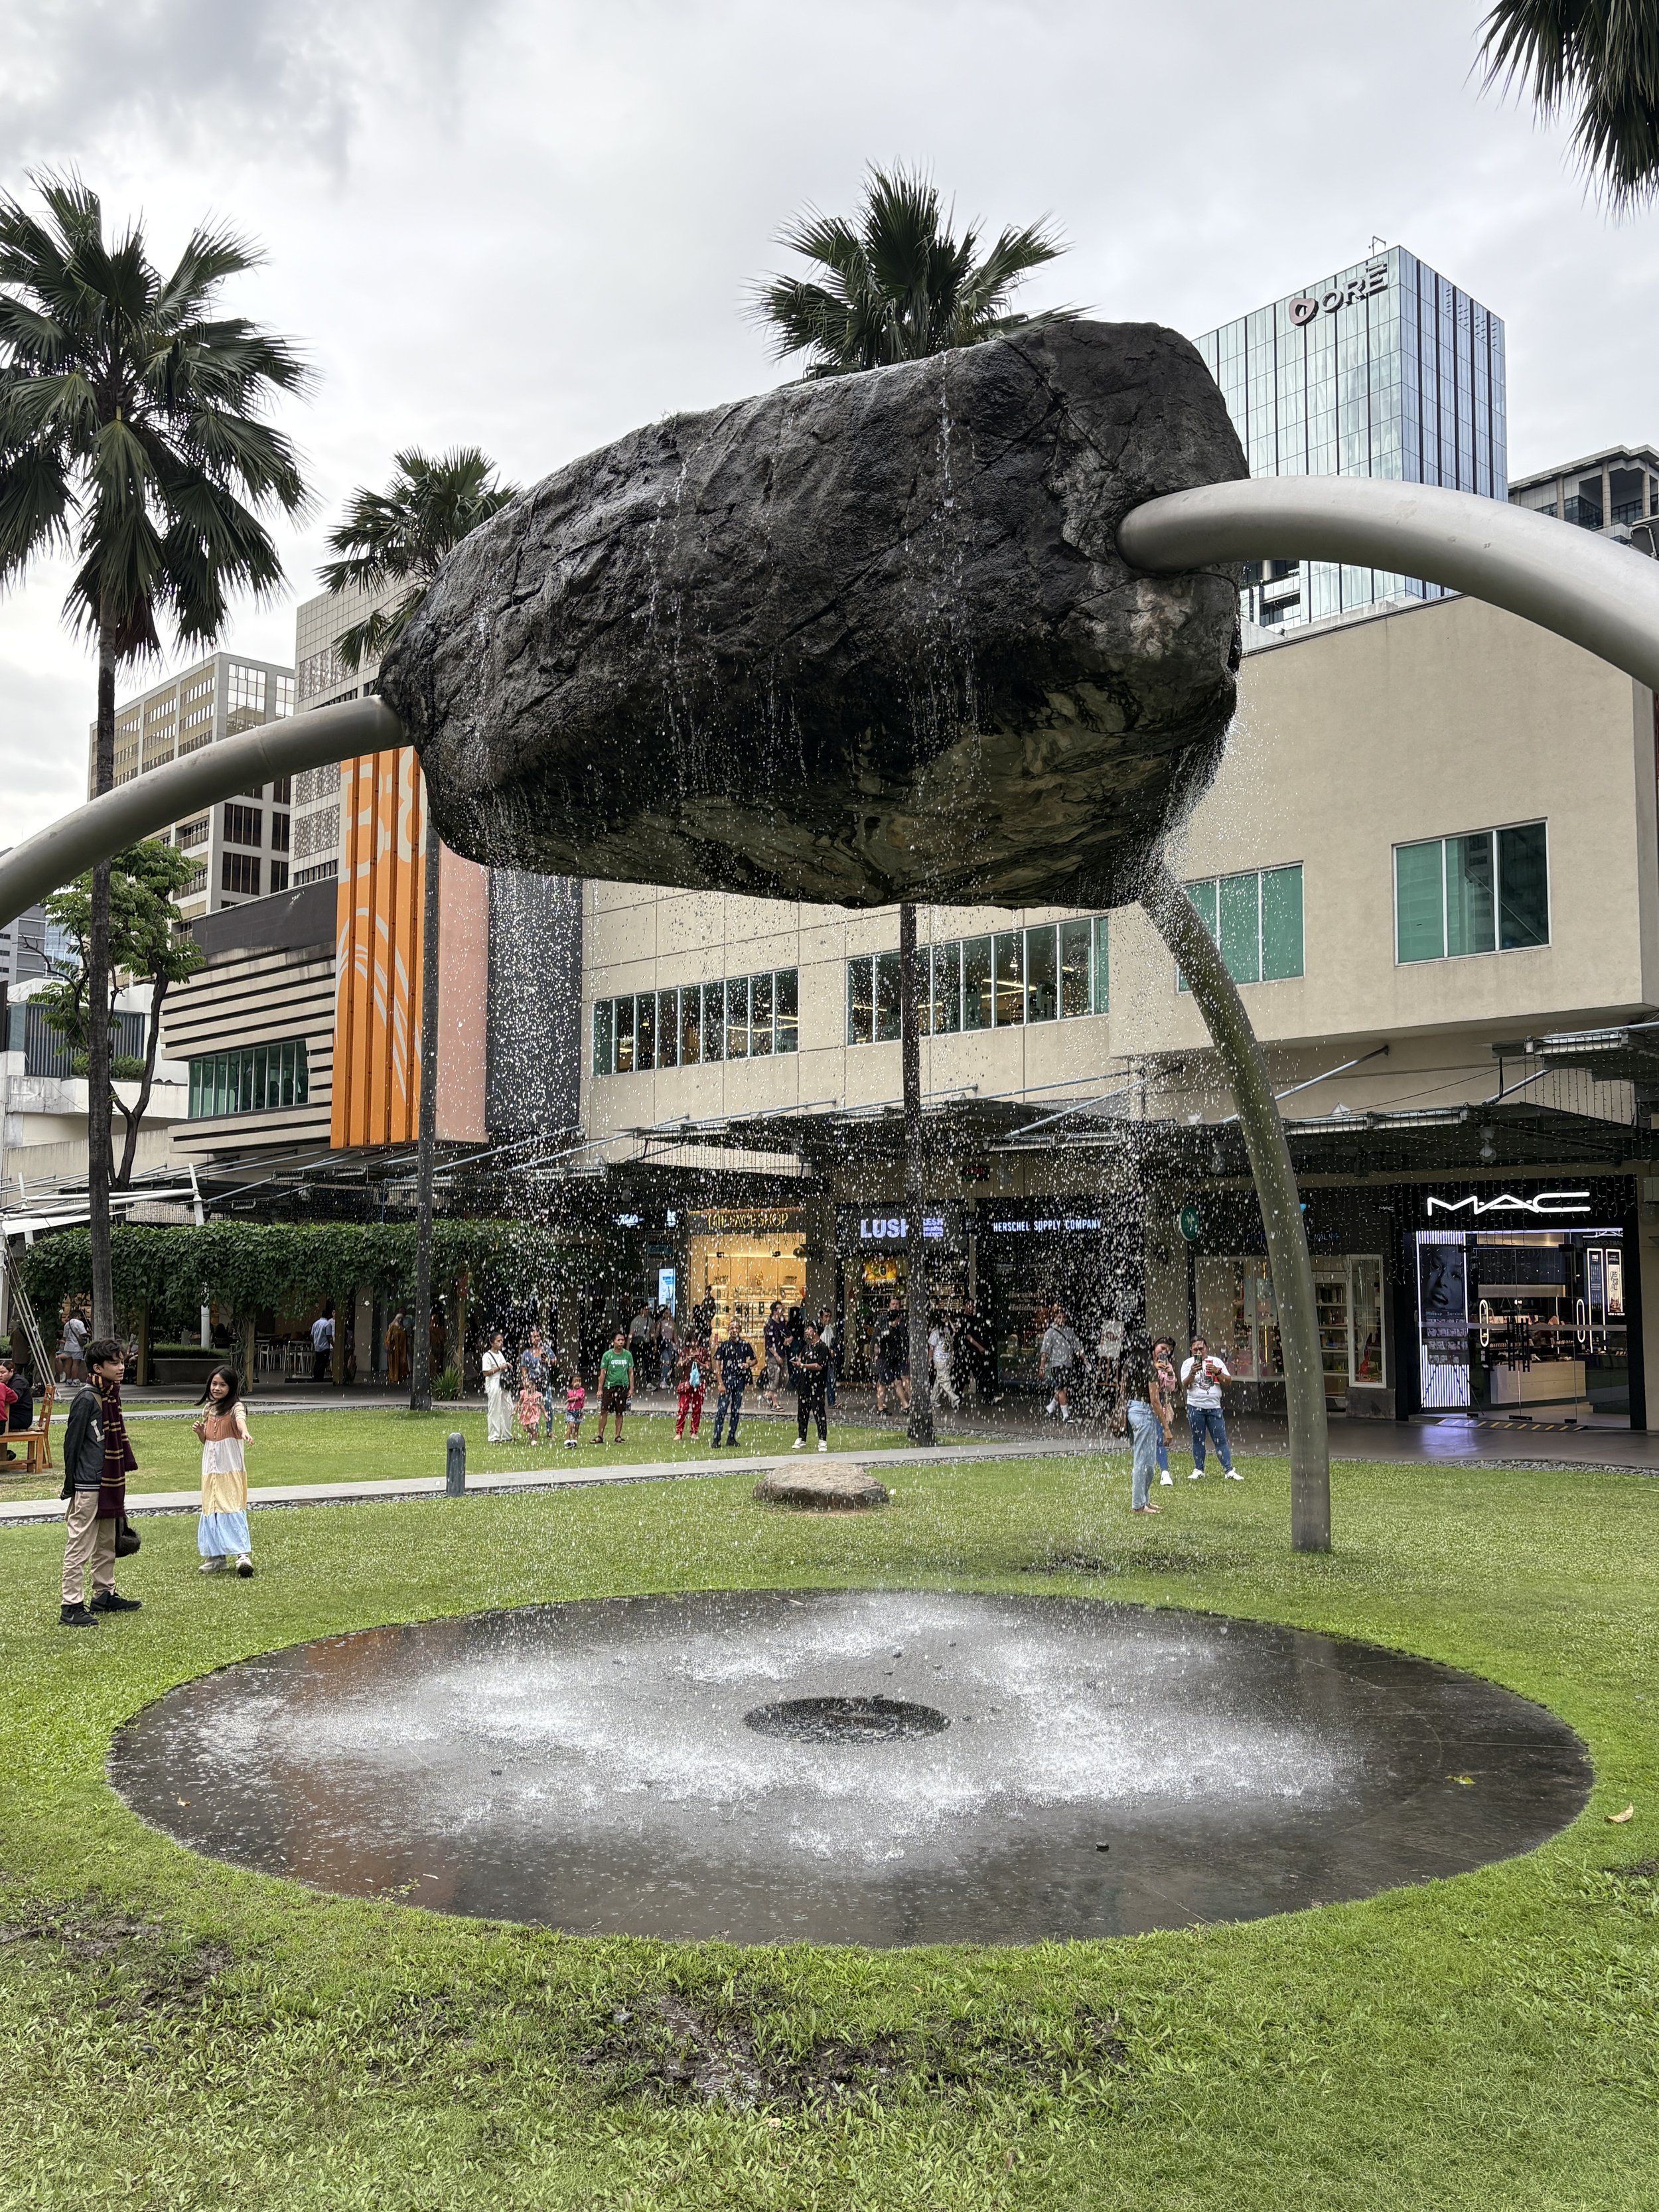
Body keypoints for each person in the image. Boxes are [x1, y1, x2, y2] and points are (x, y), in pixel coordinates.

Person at [58, 1337, 139, 1627]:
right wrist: (72, 1484)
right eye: (115, 1363)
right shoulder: (87, 1398)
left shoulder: (111, 1395)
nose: (121, 1367)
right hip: (90, 1483)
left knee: (107, 1542)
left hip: (110, 1481)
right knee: (80, 1543)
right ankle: (71, 1605)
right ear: (97, 1367)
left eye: (122, 1362)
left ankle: (104, 1594)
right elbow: (73, 1443)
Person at [194, 1364, 254, 1576]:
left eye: (222, 1385)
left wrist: (245, 1432)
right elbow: (208, 1442)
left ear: (232, 1387)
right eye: (214, 1384)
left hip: (230, 1469)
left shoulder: (236, 1407)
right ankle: (216, 1557)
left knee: (232, 1507)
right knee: (212, 1508)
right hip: (210, 1470)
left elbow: (240, 1421)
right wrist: (201, 1433)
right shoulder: (209, 1409)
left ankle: (242, 1555)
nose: (217, 1388)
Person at [1182, 1335, 1241, 1479]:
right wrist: (1192, 1373)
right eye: (1195, 1349)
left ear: (1206, 1348)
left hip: (1214, 1406)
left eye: (1201, 1348)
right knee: (1198, 1439)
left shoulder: (1216, 1362)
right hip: (1195, 1406)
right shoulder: (1188, 1364)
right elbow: (1185, 1384)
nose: (1199, 1352)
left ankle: (1228, 1470)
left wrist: (1217, 1371)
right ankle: (1199, 1469)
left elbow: (1228, 1381)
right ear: (1191, 1350)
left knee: (1220, 1439)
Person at [1121, 1333, 1161, 1513]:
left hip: (1131, 1410)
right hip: (1143, 1411)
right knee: (1142, 1461)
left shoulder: (1129, 1364)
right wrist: (1166, 1428)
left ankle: (1144, 1500)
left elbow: (1122, 1391)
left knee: (1148, 1461)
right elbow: (1154, 1400)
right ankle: (1138, 1505)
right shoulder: (1149, 1368)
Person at [712, 1323, 755, 1447]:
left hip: (739, 1380)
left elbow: (754, 1359)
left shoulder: (745, 1345)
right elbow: (717, 1366)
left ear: (740, 1330)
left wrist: (748, 1364)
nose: (734, 1331)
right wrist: (720, 1384)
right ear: (728, 1330)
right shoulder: (724, 1346)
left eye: (736, 1328)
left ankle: (731, 1437)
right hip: (726, 1380)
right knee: (722, 1410)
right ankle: (717, 1439)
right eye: (732, 1328)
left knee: (735, 1410)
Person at [1039, 1303, 1083, 1422]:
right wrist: (1042, 1367)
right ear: (1054, 1318)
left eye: (1063, 1317)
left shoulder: (1069, 1331)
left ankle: (1051, 1406)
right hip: (1057, 1365)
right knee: (1063, 1389)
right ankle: (1066, 1415)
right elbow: (1045, 1351)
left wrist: (1084, 1359)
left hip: (1068, 1364)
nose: (1061, 1319)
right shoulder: (1050, 1332)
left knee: (1062, 1389)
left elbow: (1077, 1347)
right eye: (1059, 1317)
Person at [790, 1323, 831, 1451]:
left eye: (809, 1329)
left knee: (819, 1412)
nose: (807, 1332)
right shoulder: (806, 1348)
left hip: (817, 1385)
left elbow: (819, 1366)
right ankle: (802, 1438)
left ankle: (822, 1440)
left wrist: (803, 1366)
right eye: (806, 1329)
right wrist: (798, 1363)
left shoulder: (822, 1348)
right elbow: (801, 1360)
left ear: (815, 1331)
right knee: (802, 1412)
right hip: (804, 1385)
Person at [594, 1331, 634, 1443]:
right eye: (619, 1340)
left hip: (623, 1386)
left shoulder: (628, 1355)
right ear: (613, 1342)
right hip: (609, 1386)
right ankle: (600, 1436)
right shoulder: (607, 1355)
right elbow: (603, 1373)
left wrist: (631, 1388)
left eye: (622, 1340)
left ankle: (618, 1436)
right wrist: (600, 1389)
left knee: (620, 1412)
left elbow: (630, 1373)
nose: (621, 1342)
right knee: (604, 1411)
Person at [874, 1297, 910, 1417]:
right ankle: (880, 1408)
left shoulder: (895, 1330)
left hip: (892, 1361)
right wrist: (876, 1355)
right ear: (896, 1319)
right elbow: (878, 1343)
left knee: (898, 1383)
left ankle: (905, 1405)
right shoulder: (888, 1331)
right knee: (883, 1385)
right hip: (886, 1361)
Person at [1151, 1339, 1179, 1488]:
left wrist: (1169, 1374)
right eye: (1162, 1348)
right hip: (1145, 1402)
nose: (1163, 1352)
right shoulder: (1146, 1362)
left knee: (1158, 1437)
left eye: (1167, 1351)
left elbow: (1171, 1387)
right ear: (1155, 1346)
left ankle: (1164, 1472)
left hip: (1159, 1402)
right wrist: (1154, 1368)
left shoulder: (1167, 1365)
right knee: (1143, 1439)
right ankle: (1143, 1469)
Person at [960, 1301, 997, 1403]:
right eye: (970, 1306)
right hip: (968, 1352)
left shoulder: (974, 1319)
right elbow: (968, 1336)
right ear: (965, 1307)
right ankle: (956, 1397)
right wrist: (980, 1347)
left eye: (973, 1306)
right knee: (964, 1376)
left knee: (980, 1375)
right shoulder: (964, 1320)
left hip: (973, 1353)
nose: (972, 1308)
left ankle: (988, 1397)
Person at [482, 1331, 513, 1442]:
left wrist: (507, 1366)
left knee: (508, 1407)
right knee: (494, 1409)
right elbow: (486, 1373)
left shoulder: (500, 1354)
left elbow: (503, 1366)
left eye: (502, 1341)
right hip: (493, 1382)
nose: (501, 1343)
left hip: (502, 1383)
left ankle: (507, 1434)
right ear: (492, 1343)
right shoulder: (487, 1356)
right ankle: (494, 1436)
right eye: (498, 1341)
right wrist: (500, 1368)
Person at [673, 1340, 705, 1439]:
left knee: (697, 1409)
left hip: (699, 1382)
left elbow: (708, 1366)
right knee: (683, 1408)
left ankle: (694, 1432)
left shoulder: (704, 1352)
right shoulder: (685, 1351)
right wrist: (686, 1360)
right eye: (692, 1341)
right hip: (686, 1382)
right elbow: (678, 1364)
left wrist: (699, 1363)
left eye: (696, 1341)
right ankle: (679, 1432)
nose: (694, 1343)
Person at [928, 1311, 960, 1410]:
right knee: (942, 1380)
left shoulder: (941, 1332)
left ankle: (938, 1398)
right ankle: (939, 1399)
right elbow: (932, 1348)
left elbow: (932, 1348)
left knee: (942, 1380)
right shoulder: (943, 1331)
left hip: (942, 1360)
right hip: (944, 1360)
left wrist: (929, 1361)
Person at [760, 1300, 788, 1411]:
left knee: (785, 1378)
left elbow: (788, 1333)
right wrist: (776, 1356)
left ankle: (769, 1394)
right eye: (780, 1309)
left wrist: (789, 1339)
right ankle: (774, 1402)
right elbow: (769, 1344)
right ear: (774, 1311)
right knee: (775, 1378)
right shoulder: (769, 1325)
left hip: (782, 1353)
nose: (782, 1311)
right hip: (773, 1355)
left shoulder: (782, 1323)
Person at [56, 1313, 87, 1384]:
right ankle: (75, 1380)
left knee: (68, 1364)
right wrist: (88, 1334)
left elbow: (65, 1336)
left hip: (68, 1346)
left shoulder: (67, 1324)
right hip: (76, 1346)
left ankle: (68, 1380)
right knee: (76, 1364)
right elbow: (83, 1333)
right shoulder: (79, 1323)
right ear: (77, 1316)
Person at [816, 1307, 838, 1410]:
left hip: (828, 1358)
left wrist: (833, 1350)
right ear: (821, 1317)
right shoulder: (817, 1329)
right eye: (826, 1316)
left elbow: (833, 1342)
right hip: (820, 1358)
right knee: (821, 1381)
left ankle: (831, 1401)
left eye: (829, 1317)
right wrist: (829, 1350)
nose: (828, 1319)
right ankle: (818, 1401)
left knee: (830, 1380)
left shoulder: (829, 1329)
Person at [516, 1370, 545, 1444]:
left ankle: (534, 1440)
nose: (529, 1388)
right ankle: (533, 1433)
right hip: (526, 1412)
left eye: (531, 1387)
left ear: (534, 1387)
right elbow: (519, 1402)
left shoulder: (537, 1395)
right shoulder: (524, 1394)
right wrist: (515, 1409)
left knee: (533, 1426)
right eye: (527, 1387)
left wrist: (545, 1413)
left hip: (534, 1412)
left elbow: (541, 1405)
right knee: (525, 1428)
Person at [310, 1306, 334, 1385]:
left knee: (317, 1362)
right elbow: (329, 1336)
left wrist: (314, 1342)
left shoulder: (315, 1324)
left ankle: (316, 1377)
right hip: (324, 1347)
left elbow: (312, 1335)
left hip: (317, 1346)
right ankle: (320, 1378)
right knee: (323, 1363)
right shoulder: (327, 1324)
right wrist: (333, 1344)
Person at [385, 1309, 409, 1386]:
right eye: (399, 1319)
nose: (400, 1320)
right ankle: (394, 1377)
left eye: (401, 1319)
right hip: (394, 1349)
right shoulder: (392, 1327)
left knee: (402, 1363)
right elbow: (388, 1337)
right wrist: (390, 1344)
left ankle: (401, 1377)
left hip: (402, 1349)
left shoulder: (403, 1328)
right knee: (394, 1363)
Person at [563, 1372, 587, 1447]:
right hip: (571, 1411)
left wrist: (569, 1400)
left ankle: (574, 1441)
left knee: (577, 1427)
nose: (578, 1383)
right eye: (575, 1381)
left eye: (579, 1381)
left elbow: (577, 1398)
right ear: (571, 1383)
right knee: (571, 1426)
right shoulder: (569, 1392)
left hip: (579, 1411)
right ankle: (567, 1440)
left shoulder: (582, 1390)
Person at [658, 1308, 678, 1388]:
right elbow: (657, 1334)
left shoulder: (673, 1324)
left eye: (669, 1313)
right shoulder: (661, 1323)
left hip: (670, 1343)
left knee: (669, 1362)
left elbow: (675, 1335)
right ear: (664, 1314)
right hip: (664, 1343)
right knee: (666, 1360)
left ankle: (664, 1379)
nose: (668, 1315)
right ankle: (663, 1379)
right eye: (666, 1313)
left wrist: (677, 1345)